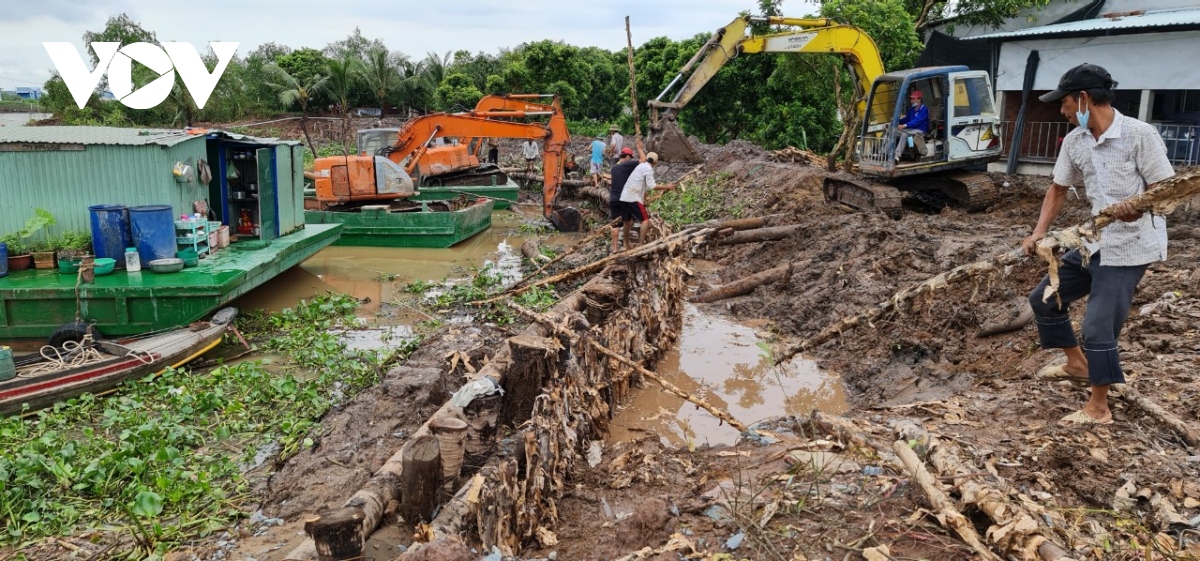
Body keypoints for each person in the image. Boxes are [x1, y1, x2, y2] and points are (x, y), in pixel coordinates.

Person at [1021, 63, 1174, 425]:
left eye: (1065, 104)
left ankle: (1099, 407)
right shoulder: (1075, 142)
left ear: (1084, 98)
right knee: (1043, 299)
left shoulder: (1140, 135)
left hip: (1131, 246)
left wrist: (1138, 207)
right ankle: (1077, 365)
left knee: (1097, 327)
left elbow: (1165, 191)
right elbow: (1057, 188)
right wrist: (1038, 232)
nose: (1061, 111)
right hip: (1095, 241)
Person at [618, 147, 675, 248]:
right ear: (655, 162)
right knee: (645, 220)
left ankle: (626, 244)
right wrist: (667, 187)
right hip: (633, 197)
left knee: (626, 221)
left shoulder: (640, 166)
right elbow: (652, 186)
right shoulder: (648, 169)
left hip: (624, 195)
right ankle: (641, 244)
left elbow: (641, 183)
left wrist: (644, 196)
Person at [608, 146, 639, 253]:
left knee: (615, 224)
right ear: (627, 157)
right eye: (630, 158)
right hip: (624, 199)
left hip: (613, 198)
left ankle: (615, 248)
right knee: (629, 220)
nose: (630, 160)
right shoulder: (627, 164)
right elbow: (642, 161)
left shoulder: (613, 168)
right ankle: (626, 244)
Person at [894, 90, 929, 163]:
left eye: (913, 99)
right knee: (893, 132)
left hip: (920, 130)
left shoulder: (924, 110)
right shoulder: (912, 110)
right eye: (911, 99)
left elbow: (916, 122)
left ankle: (897, 156)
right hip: (911, 129)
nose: (911, 101)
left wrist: (904, 125)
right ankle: (884, 152)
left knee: (905, 134)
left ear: (919, 99)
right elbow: (906, 119)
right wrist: (897, 121)